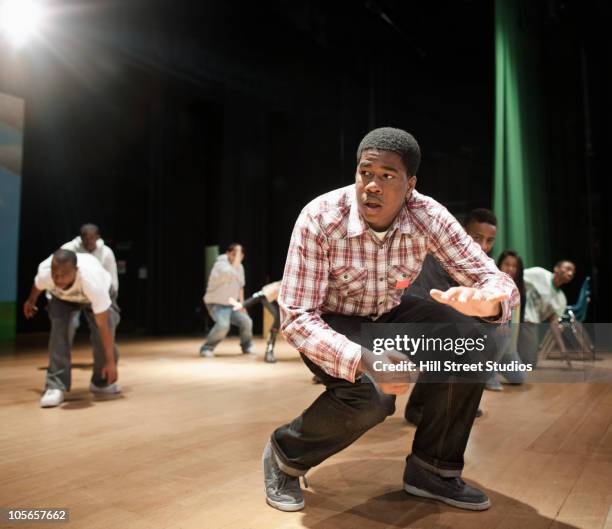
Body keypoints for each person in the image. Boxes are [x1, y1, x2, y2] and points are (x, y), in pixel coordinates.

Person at [263, 127, 518, 512]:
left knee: (474, 340)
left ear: (410, 185)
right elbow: (297, 317)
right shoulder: (320, 218)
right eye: (366, 173)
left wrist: (489, 302)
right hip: (331, 321)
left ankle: (433, 470)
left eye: (387, 176)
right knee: (372, 396)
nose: (372, 186)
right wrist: (366, 360)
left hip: (388, 313)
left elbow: (490, 275)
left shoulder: (428, 215)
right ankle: (286, 453)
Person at [404, 208, 498, 423]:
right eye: (476, 238)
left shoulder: (480, 265)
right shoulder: (438, 255)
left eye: (489, 241)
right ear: (462, 232)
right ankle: (419, 407)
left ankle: (456, 401)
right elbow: (434, 302)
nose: (483, 247)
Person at [23, 249, 121, 408]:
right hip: (62, 299)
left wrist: (110, 362)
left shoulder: (92, 281)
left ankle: (101, 382)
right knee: (59, 331)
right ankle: (55, 386)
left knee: (103, 331)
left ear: (76, 271)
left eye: (64, 274)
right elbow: (38, 285)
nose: (58, 279)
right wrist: (31, 301)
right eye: (55, 274)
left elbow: (104, 327)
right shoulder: (46, 272)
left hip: (96, 293)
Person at [61, 223, 119, 342]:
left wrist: (111, 300)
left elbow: (112, 278)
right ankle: (61, 360)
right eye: (85, 238)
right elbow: (55, 271)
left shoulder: (106, 252)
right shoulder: (68, 249)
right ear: (80, 238)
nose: (88, 241)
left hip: (96, 293)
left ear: (98, 237)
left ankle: (105, 359)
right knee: (66, 324)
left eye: (91, 238)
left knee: (106, 322)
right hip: (72, 293)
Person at [199, 243, 256, 357]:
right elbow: (230, 272)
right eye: (234, 254)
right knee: (223, 325)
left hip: (231, 305)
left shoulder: (240, 267)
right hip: (216, 304)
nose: (236, 257)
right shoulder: (220, 265)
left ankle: (247, 347)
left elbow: (241, 286)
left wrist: (242, 305)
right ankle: (206, 348)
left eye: (239, 255)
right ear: (227, 254)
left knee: (247, 321)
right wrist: (238, 254)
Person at [522, 260, 576, 366]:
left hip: (530, 324)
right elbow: (515, 278)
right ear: (556, 268)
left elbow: (554, 324)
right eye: (568, 268)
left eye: (573, 272)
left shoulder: (561, 299)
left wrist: (563, 350)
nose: (570, 273)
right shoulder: (539, 274)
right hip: (514, 313)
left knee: (530, 363)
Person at [230, 280, 281, 363]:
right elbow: (259, 295)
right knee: (278, 318)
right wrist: (243, 304)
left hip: (282, 301)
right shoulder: (277, 287)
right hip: (267, 297)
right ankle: (269, 351)